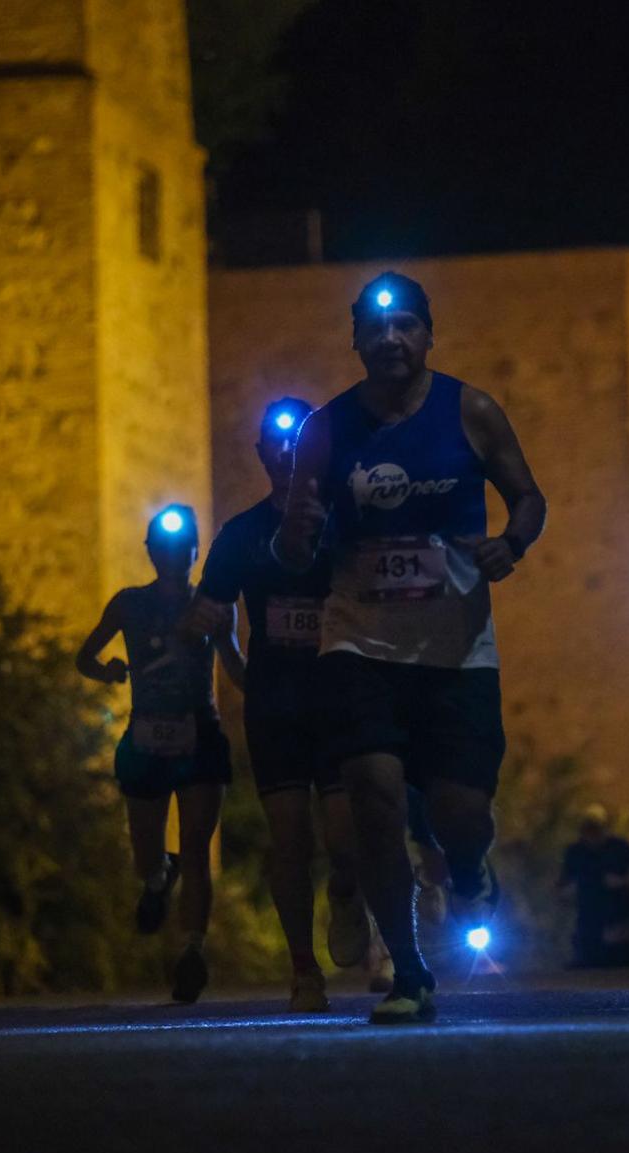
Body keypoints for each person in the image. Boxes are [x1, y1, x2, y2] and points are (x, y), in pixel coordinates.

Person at [274, 271, 547, 1024]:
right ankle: (408, 971)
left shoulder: (472, 411)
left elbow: (529, 495)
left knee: (460, 812)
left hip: (456, 648)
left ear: (429, 336)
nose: (391, 340)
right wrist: (294, 538)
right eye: (376, 328)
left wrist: (510, 544)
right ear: (355, 340)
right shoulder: (325, 431)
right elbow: (297, 544)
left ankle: (466, 864)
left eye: (407, 327)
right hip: (359, 642)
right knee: (372, 792)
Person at [185, 398, 369, 1013]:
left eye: (302, 445)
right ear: (262, 455)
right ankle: (303, 970)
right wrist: (233, 665)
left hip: (341, 703)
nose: (289, 456)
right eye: (277, 446)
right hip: (277, 709)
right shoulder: (239, 536)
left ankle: (347, 891)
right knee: (290, 841)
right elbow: (210, 615)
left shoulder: (347, 524)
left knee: (346, 841)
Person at [76, 505, 233, 1004]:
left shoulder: (213, 606)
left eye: (181, 547)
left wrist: (232, 642)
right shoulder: (127, 605)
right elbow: (85, 655)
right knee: (144, 854)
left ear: (194, 553)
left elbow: (237, 666)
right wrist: (111, 672)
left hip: (200, 736)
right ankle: (158, 876)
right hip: (146, 737)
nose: (171, 555)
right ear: (149, 552)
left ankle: (192, 951)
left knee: (197, 850)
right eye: (162, 547)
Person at [557, 805, 629, 969]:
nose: (592, 835)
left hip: (619, 920)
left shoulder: (620, 848)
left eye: (595, 829)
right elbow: (563, 884)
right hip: (589, 923)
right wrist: (567, 893)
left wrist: (623, 881)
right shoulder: (576, 852)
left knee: (621, 972)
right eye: (588, 829)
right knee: (588, 971)